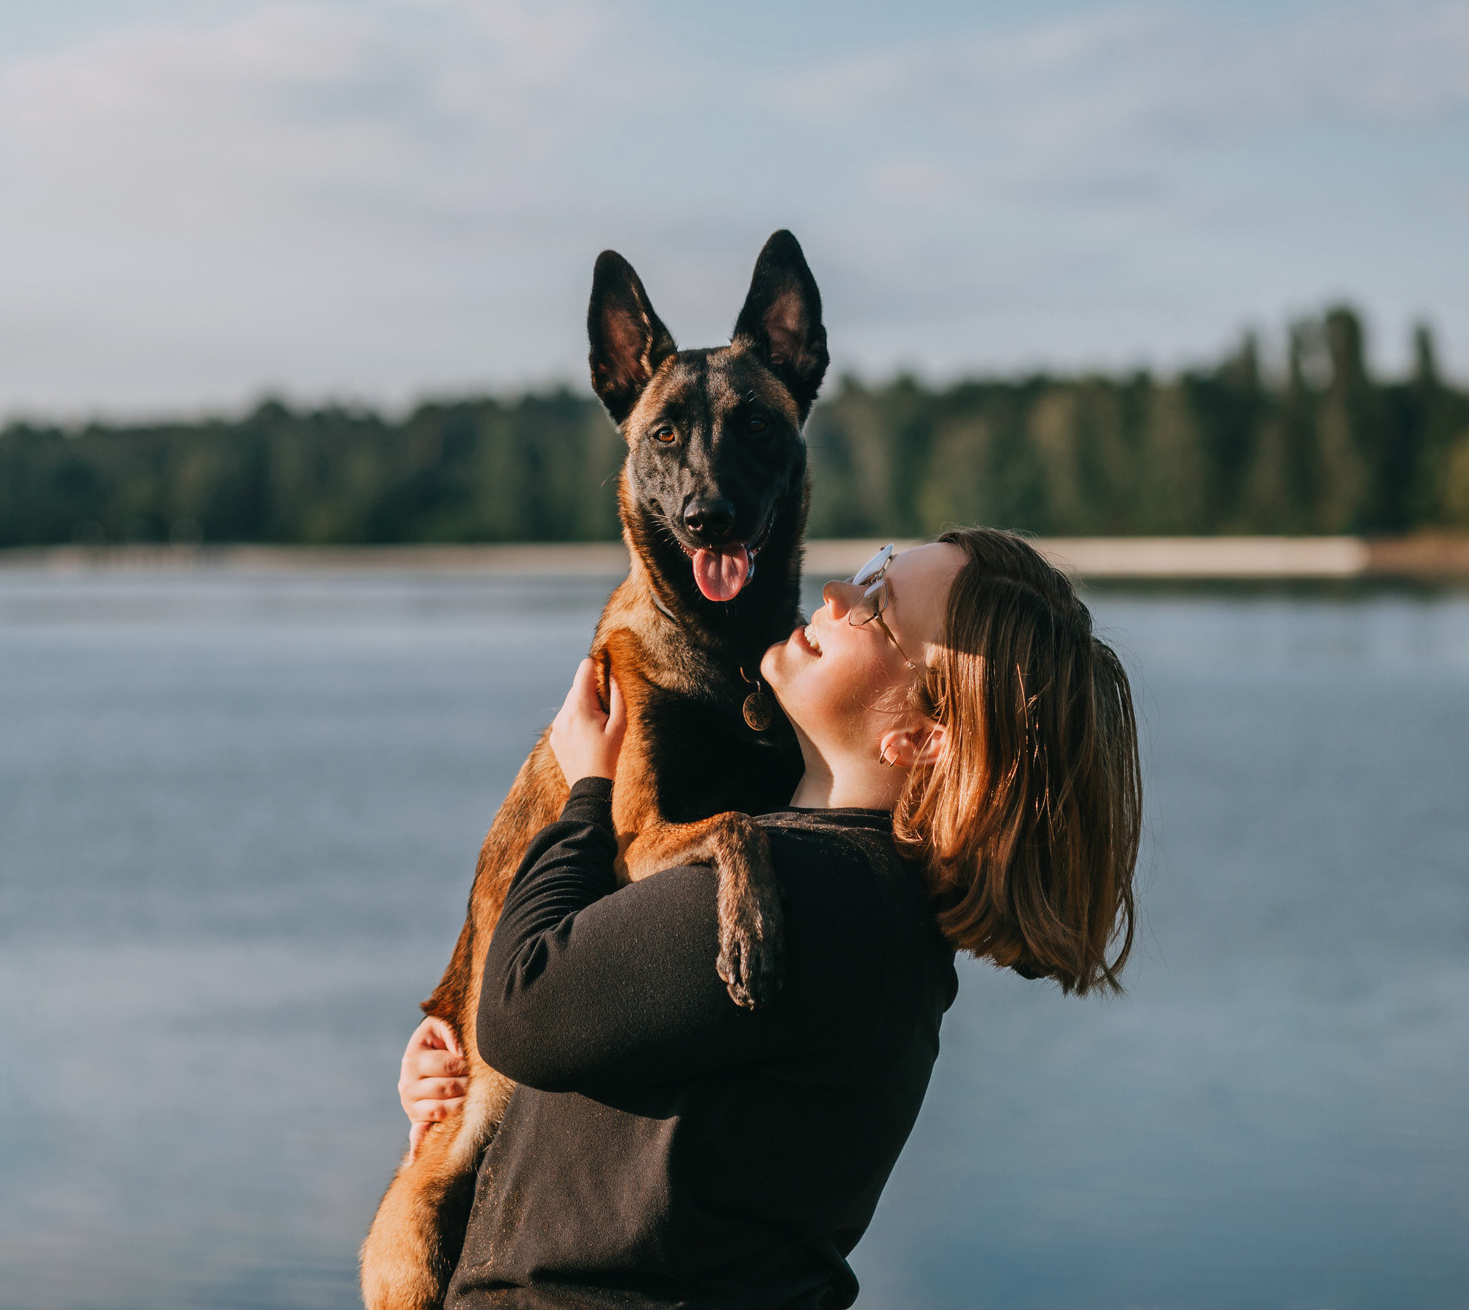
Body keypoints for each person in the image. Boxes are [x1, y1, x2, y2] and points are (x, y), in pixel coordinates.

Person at [397, 528, 1141, 1307]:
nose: (838, 593)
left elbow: (525, 1007)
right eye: (874, 569)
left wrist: (587, 792)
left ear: (918, 737)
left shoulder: (806, 890)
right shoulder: (864, 901)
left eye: (878, 609)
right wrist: (465, 1098)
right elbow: (613, 1098)